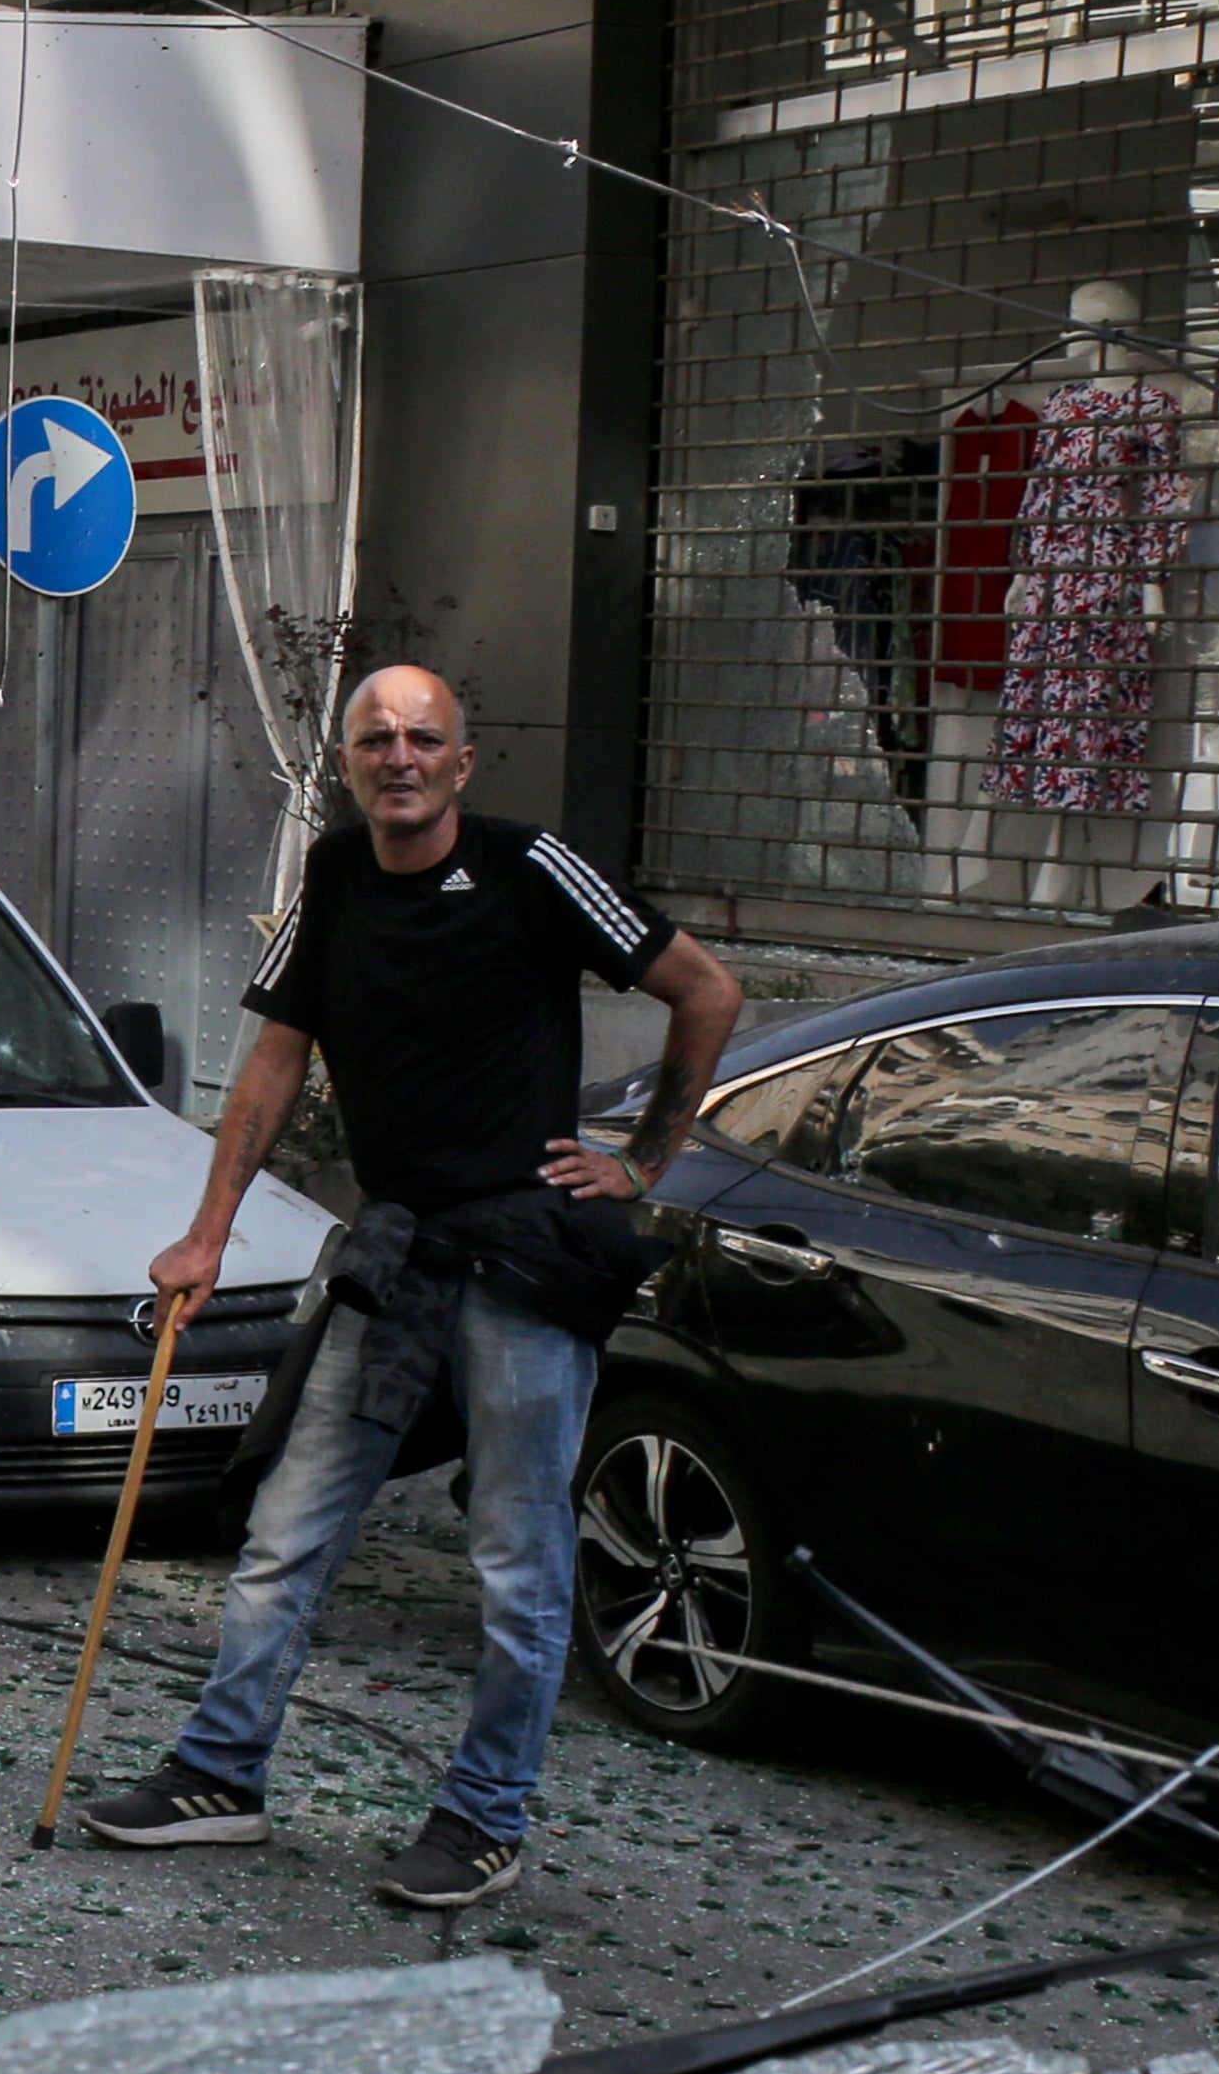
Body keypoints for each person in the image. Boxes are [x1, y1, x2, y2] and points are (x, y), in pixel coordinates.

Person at [96, 664, 744, 1910]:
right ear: (347, 762)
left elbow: (704, 989)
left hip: (520, 1258)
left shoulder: (531, 866)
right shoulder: (331, 879)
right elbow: (272, 1062)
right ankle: (218, 1775)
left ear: (461, 759)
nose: (398, 756)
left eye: (422, 738)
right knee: (287, 1526)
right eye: (375, 738)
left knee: (514, 1555)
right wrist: (206, 1233)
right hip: (391, 1254)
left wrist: (647, 1156)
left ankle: (484, 1817)